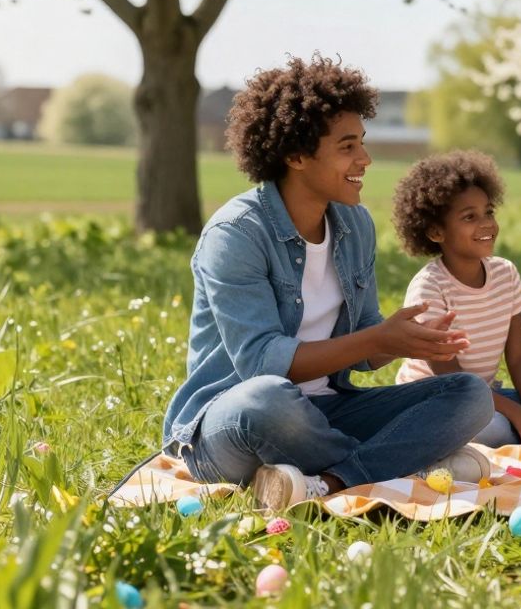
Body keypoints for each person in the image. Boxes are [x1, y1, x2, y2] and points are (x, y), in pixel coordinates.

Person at [161, 55, 494, 510]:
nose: (365, 159)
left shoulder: (355, 224)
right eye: (348, 146)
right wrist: (378, 337)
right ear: (296, 155)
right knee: (268, 399)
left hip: (328, 413)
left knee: (470, 394)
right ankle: (404, 466)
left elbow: (366, 347)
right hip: (233, 423)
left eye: (363, 143)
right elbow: (263, 363)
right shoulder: (235, 234)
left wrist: (405, 341)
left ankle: (335, 481)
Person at [390, 150, 521, 447]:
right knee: (496, 430)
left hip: (485, 396)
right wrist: (515, 413)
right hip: (432, 403)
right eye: (469, 217)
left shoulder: (505, 274)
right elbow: (452, 380)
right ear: (435, 231)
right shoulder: (430, 288)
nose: (486, 223)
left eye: (488, 212)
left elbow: (520, 357)